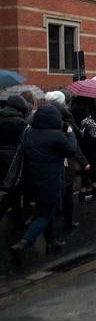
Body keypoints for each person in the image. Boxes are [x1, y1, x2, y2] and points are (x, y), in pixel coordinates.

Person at [9, 105, 77, 267]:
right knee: (44, 214)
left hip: (32, 181)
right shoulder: (56, 135)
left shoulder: (28, 133)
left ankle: (51, 241)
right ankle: (23, 243)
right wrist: (70, 134)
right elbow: (71, 150)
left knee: (46, 210)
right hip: (51, 181)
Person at [45, 91, 88, 228]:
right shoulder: (65, 116)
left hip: (48, 160)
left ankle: (56, 211)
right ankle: (68, 221)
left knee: (54, 188)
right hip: (64, 159)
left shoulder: (41, 114)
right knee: (67, 189)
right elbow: (73, 143)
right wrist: (84, 162)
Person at [0, 95, 30, 226]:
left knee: (12, 190)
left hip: (0, 158)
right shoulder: (20, 122)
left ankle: (18, 219)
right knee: (14, 189)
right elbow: (25, 141)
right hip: (13, 159)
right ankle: (17, 219)